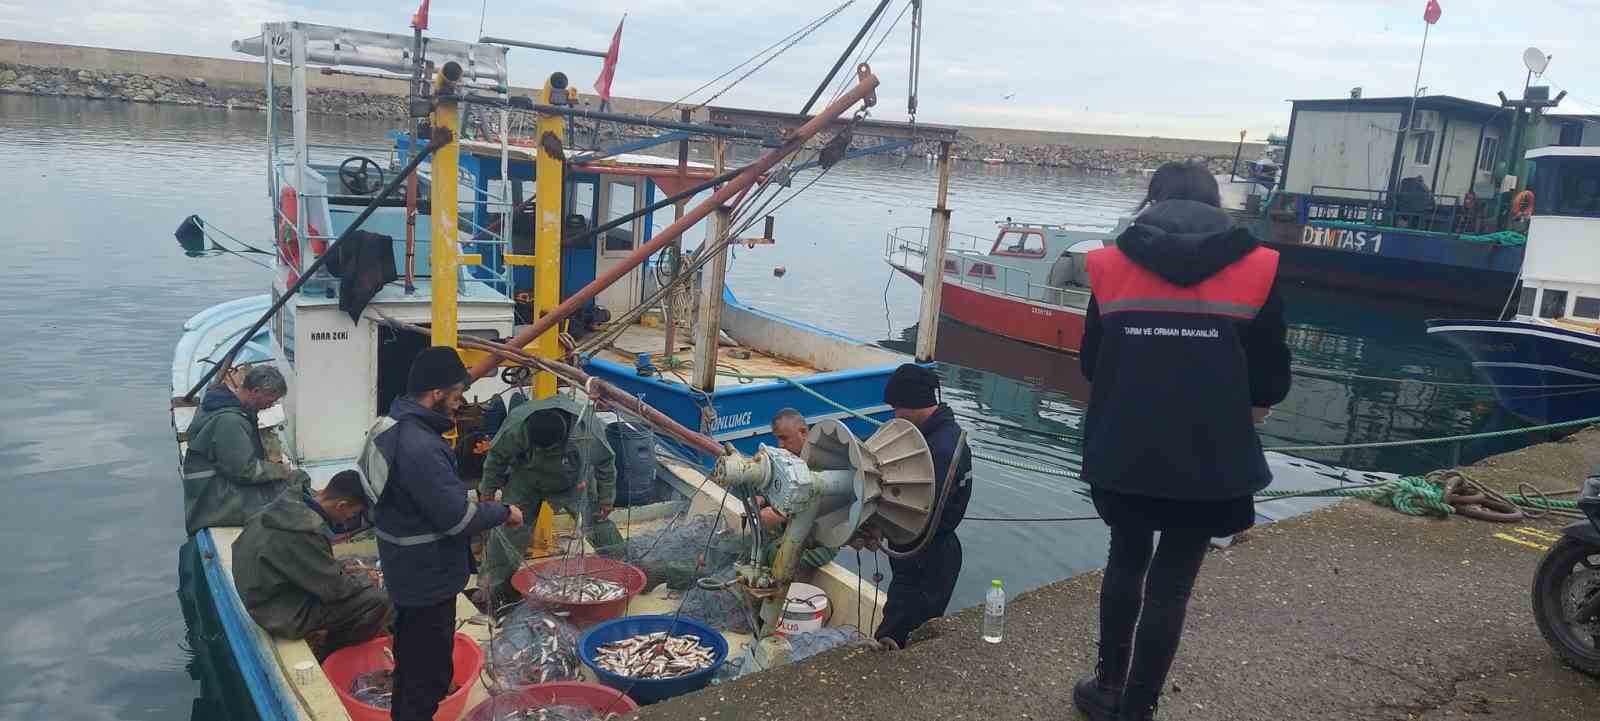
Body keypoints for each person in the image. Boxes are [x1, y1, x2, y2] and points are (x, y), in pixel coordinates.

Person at [1073, 161, 1290, 721]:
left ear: (1152, 201)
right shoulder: (1261, 267)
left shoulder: (1107, 264)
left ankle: (1107, 686)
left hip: (1124, 449)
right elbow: (1271, 382)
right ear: (1216, 205)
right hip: (1211, 460)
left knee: (1126, 557)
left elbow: (1092, 363)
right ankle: (1138, 708)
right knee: (1172, 583)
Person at [358, 347, 523, 721]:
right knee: (427, 679)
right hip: (427, 580)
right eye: (455, 395)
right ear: (435, 394)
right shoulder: (422, 448)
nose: (459, 404)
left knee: (413, 669)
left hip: (406, 573)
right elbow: (458, 520)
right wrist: (503, 512)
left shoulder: (391, 425)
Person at [478, 394, 622, 611]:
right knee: (508, 530)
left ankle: (624, 569)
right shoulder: (516, 426)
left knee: (598, 522)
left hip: (574, 481)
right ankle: (492, 588)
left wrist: (606, 498)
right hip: (526, 481)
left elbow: (605, 464)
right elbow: (496, 459)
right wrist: (487, 491)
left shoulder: (588, 430)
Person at [232, 469, 392, 658]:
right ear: (342, 505)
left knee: (344, 570)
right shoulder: (304, 531)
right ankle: (331, 653)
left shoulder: (289, 503)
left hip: (258, 592)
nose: (349, 520)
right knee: (377, 600)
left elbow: (301, 561)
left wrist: (343, 569)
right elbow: (337, 590)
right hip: (276, 613)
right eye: (352, 514)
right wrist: (368, 578)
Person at [870, 364, 972, 650]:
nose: (895, 416)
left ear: (913, 404)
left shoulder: (939, 450)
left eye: (897, 408)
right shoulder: (936, 436)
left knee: (897, 636)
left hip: (927, 559)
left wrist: (872, 524)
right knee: (902, 622)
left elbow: (919, 514)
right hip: (924, 555)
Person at [183, 365, 300, 536]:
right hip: (212, 504)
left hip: (207, 491)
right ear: (256, 391)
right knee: (287, 501)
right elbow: (245, 471)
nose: (270, 405)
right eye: (270, 400)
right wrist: (279, 470)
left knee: (287, 487)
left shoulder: (218, 404)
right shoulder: (230, 421)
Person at [752, 408, 836, 571]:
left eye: (784, 438)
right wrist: (763, 499)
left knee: (772, 557)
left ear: (803, 432)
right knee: (744, 542)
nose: (780, 445)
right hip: (789, 528)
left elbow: (828, 511)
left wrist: (783, 514)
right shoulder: (787, 460)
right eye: (778, 439)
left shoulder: (824, 463)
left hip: (821, 540)